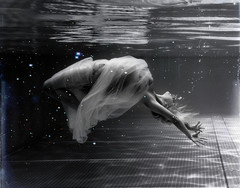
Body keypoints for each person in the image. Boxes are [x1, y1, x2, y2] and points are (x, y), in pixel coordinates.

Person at [43, 56, 206, 146]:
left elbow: (174, 118)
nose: (176, 98)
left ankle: (80, 106)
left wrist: (189, 136)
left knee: (48, 86)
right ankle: (80, 106)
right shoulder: (149, 87)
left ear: (166, 106)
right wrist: (189, 126)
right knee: (50, 87)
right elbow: (175, 117)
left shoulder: (149, 100)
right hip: (94, 73)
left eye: (174, 103)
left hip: (91, 75)